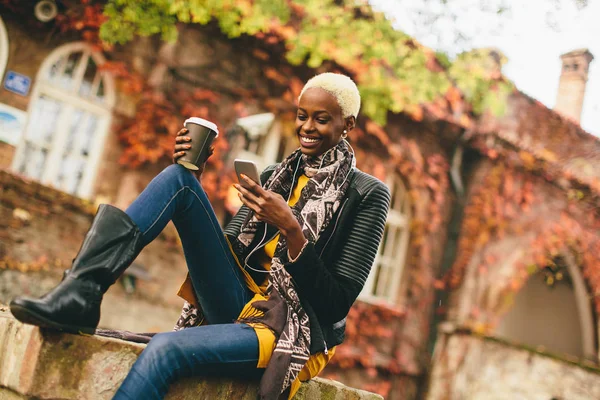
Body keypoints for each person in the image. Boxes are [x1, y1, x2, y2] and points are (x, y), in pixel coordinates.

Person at [10, 72, 391, 400]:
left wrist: (291, 228)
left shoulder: (368, 194)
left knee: (165, 349)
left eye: (322, 119)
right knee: (179, 180)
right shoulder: (280, 173)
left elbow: (335, 304)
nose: (307, 128)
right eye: (302, 116)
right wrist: (198, 179)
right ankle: (82, 291)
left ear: (348, 125)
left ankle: (81, 292)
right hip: (238, 299)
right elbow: (226, 251)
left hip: (290, 328)